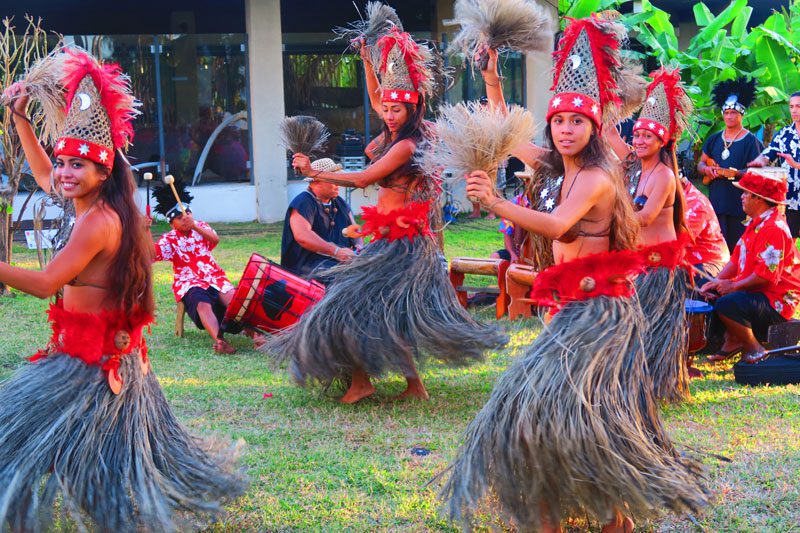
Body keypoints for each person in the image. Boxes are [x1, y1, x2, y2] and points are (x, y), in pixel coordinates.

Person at [442, 17, 708, 533]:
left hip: (596, 314)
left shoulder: (594, 177)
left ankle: (567, 516)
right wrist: (494, 78)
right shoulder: (557, 167)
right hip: (569, 310)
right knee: (573, 418)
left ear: (592, 128)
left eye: (576, 122)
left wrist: (496, 201)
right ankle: (611, 517)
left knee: (544, 410)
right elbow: (509, 132)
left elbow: (560, 226)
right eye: (559, 120)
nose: (565, 129)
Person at [0, 48, 244, 531]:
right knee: (63, 444)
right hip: (87, 354)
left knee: (38, 438)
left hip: (93, 364)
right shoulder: (96, 203)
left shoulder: (100, 222)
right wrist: (19, 119)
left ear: (103, 170)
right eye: (63, 162)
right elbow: (45, 175)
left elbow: (47, 282)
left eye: (76, 166)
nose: (64, 173)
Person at [266, 28, 506, 403]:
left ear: (413, 108)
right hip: (390, 238)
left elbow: (363, 178)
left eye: (398, 109)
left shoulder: (408, 145)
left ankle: (368, 382)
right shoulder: (396, 132)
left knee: (353, 303)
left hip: (403, 242)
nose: (390, 115)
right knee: (386, 309)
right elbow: (377, 97)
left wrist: (315, 172)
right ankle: (409, 386)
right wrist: (367, 61)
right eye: (388, 110)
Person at [608, 67, 694, 403]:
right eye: (637, 135)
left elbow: (643, 217)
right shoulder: (634, 165)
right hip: (640, 266)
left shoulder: (663, 176)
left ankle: (656, 387)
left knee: (651, 330)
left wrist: (609, 217)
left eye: (647, 137)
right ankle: (637, 385)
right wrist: (609, 104)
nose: (639, 141)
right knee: (634, 328)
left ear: (663, 142)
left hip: (659, 268)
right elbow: (609, 135)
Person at [702, 169, 800, 365]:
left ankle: (754, 348)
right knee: (714, 294)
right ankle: (732, 341)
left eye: (746, 193)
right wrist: (716, 281)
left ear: (759, 199)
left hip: (776, 300)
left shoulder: (774, 229)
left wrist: (733, 286)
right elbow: (735, 260)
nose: (742, 196)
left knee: (727, 302)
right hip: (760, 292)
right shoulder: (756, 224)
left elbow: (765, 277)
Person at [150, 179, 242, 353]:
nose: (185, 218)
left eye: (188, 213)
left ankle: (255, 334)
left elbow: (214, 239)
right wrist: (144, 230)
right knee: (202, 304)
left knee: (233, 298)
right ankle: (219, 341)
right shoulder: (169, 239)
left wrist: (195, 227)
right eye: (179, 218)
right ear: (172, 224)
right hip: (189, 281)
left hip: (214, 276)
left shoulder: (201, 226)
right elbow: (151, 254)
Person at [698, 78, 763, 251]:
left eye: (733, 113)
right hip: (717, 202)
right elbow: (700, 163)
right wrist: (706, 169)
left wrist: (733, 173)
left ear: (741, 114)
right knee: (717, 247)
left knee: (738, 247)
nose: (729, 116)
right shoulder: (714, 139)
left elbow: (758, 170)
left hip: (740, 204)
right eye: (726, 113)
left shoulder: (751, 141)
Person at [280, 158, 359, 278]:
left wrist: (359, 246)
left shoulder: (339, 202)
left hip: (336, 263)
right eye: (333, 180)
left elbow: (354, 229)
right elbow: (302, 236)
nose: (338, 185)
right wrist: (336, 252)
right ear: (316, 181)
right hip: (308, 268)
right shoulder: (303, 202)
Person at [747, 91, 800, 236]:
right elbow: (768, 154)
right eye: (791, 106)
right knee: (790, 240)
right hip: (790, 199)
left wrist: (795, 164)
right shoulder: (784, 134)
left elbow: (795, 164)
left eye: (798, 106)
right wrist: (757, 163)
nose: (794, 110)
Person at [683, 176, 730, 283]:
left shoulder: (695, 203)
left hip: (709, 261)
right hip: (686, 260)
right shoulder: (667, 198)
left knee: (694, 281)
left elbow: (677, 241)